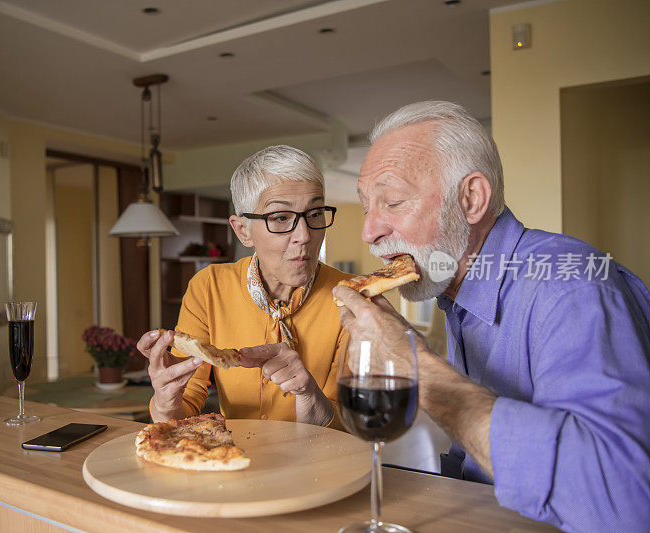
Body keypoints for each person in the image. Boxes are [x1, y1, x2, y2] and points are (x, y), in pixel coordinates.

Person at [333, 101, 650, 532]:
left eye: (392, 201)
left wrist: (415, 366)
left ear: (471, 199)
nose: (369, 231)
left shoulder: (569, 287)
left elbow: (626, 504)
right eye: (367, 206)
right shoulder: (457, 289)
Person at [137, 145, 349, 428]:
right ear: (242, 230)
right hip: (235, 460)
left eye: (315, 213)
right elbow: (183, 413)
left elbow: (351, 427)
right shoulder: (208, 287)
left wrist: (308, 395)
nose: (305, 235)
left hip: (323, 466)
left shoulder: (351, 298)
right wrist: (165, 403)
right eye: (281, 218)